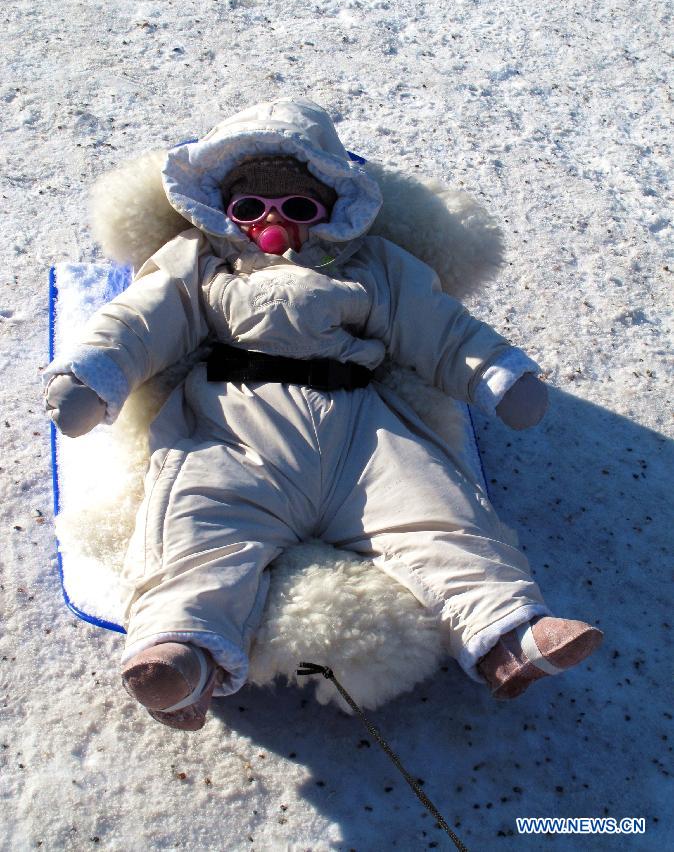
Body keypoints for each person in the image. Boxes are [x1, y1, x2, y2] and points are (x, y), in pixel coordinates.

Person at [45, 98, 602, 731]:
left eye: (298, 207)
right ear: (223, 213)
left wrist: (497, 373)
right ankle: (183, 653)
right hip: (235, 427)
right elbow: (140, 319)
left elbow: (437, 328)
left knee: (437, 512)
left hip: (365, 429)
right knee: (198, 524)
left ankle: (508, 634)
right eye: (249, 209)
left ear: (333, 207)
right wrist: (95, 375)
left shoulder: (375, 266)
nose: (272, 222)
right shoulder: (198, 262)